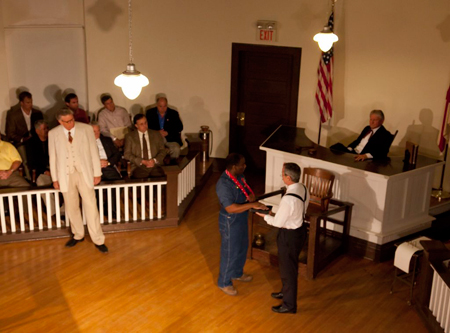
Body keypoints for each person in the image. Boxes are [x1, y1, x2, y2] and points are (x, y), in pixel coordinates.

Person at [48, 109, 108, 253]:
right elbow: (53, 157)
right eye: (66, 121)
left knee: (91, 205)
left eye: (72, 120)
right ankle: (78, 234)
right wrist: (55, 178)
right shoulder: (53, 133)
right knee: (71, 206)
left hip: (84, 172)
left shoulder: (86, 129)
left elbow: (94, 151)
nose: (70, 123)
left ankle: (98, 239)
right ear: (59, 121)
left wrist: (97, 173)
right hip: (65, 174)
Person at [256, 163, 309, 314]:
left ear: (289, 177)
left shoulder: (288, 199)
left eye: (283, 174)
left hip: (289, 235)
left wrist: (265, 216)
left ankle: (289, 305)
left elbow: (278, 223)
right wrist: (273, 212)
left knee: (288, 270)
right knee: (287, 266)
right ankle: (285, 292)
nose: (282, 176)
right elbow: (298, 210)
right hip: (300, 231)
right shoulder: (303, 188)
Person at [215, 153, 267, 296]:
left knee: (242, 246)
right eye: (242, 164)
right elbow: (230, 207)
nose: (245, 166)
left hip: (241, 217)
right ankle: (224, 282)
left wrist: (252, 200)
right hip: (230, 220)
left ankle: (237, 273)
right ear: (233, 167)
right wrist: (251, 204)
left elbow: (247, 194)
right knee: (229, 251)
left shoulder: (240, 177)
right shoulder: (223, 184)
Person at [26, 120, 65, 215]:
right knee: (42, 184)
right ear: (37, 131)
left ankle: (63, 210)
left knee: (68, 183)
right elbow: (31, 163)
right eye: (44, 129)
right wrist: (45, 171)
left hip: (57, 171)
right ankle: (53, 212)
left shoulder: (53, 140)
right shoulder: (31, 143)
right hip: (42, 172)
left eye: (47, 128)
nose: (47, 131)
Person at [6, 91, 43, 179]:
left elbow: (42, 128)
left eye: (31, 102)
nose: (30, 104)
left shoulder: (37, 113)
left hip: (35, 141)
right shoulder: (13, 115)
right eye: (27, 102)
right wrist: (22, 139)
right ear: (21, 103)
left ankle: (41, 175)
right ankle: (30, 179)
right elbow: (10, 133)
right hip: (21, 142)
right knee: (25, 158)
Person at [124, 114, 167, 178]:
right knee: (141, 180)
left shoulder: (156, 134)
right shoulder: (130, 137)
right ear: (136, 125)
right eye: (141, 124)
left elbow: (163, 150)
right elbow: (127, 154)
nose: (145, 126)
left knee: (160, 178)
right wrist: (142, 161)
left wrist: (154, 160)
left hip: (155, 165)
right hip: (138, 166)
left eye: (145, 123)